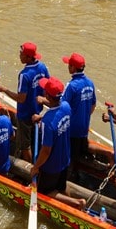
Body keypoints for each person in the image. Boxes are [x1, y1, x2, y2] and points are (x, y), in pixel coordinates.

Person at [29, 76, 86, 210]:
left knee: (45, 192)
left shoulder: (47, 123)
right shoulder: (66, 106)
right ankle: (74, 205)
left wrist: (36, 167)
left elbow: (46, 150)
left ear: (47, 95)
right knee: (61, 186)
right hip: (65, 158)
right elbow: (56, 113)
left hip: (51, 165)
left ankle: (77, 203)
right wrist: (42, 117)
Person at [0, 42, 48, 162]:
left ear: (28, 57)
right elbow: (46, 89)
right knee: (34, 140)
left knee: (25, 146)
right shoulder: (42, 67)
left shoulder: (24, 75)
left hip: (25, 115)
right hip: (37, 112)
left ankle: (28, 169)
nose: (19, 56)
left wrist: (4, 89)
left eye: (21, 54)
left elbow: (21, 98)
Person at [61, 52, 96, 181]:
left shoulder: (71, 86)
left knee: (67, 156)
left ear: (73, 67)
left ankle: (67, 180)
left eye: (69, 65)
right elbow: (93, 105)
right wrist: (83, 117)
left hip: (72, 129)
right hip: (84, 127)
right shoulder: (90, 83)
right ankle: (75, 173)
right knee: (78, 152)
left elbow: (62, 107)